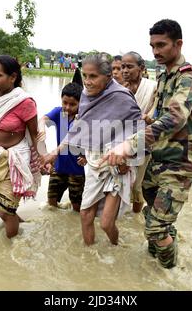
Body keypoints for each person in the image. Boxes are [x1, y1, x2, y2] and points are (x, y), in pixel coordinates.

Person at [100, 19, 192, 269]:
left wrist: (131, 145)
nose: (156, 51)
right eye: (152, 46)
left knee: (155, 227)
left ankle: (167, 273)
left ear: (178, 44)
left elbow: (176, 117)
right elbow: (156, 116)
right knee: (152, 214)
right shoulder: (164, 75)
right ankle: (155, 259)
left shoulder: (187, 76)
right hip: (159, 158)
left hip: (180, 162)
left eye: (161, 45)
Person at [43, 53, 143, 246]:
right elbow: (79, 129)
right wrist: (55, 152)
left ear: (108, 77)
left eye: (93, 76)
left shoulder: (121, 97)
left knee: (106, 223)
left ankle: (117, 247)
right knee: (85, 215)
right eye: (85, 76)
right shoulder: (86, 97)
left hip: (117, 165)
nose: (87, 82)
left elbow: (138, 130)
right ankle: (90, 256)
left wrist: (128, 160)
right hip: (95, 164)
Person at [0, 55, 42, 238]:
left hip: (13, 161)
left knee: (5, 212)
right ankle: (15, 221)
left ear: (12, 77)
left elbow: (34, 135)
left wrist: (44, 158)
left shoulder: (24, 102)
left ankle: (13, 246)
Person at [38, 80, 86, 212]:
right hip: (58, 167)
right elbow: (42, 119)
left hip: (76, 170)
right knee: (51, 203)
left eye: (72, 104)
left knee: (77, 208)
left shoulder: (82, 118)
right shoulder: (59, 112)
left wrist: (86, 157)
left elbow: (71, 140)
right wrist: (42, 128)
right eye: (65, 103)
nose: (68, 107)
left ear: (80, 103)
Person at [121, 51, 157, 213]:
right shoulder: (119, 90)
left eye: (129, 66)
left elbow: (155, 114)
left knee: (137, 185)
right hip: (122, 141)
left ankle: (135, 215)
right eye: (123, 67)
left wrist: (149, 118)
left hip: (144, 142)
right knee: (119, 182)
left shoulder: (152, 87)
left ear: (141, 68)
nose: (125, 70)